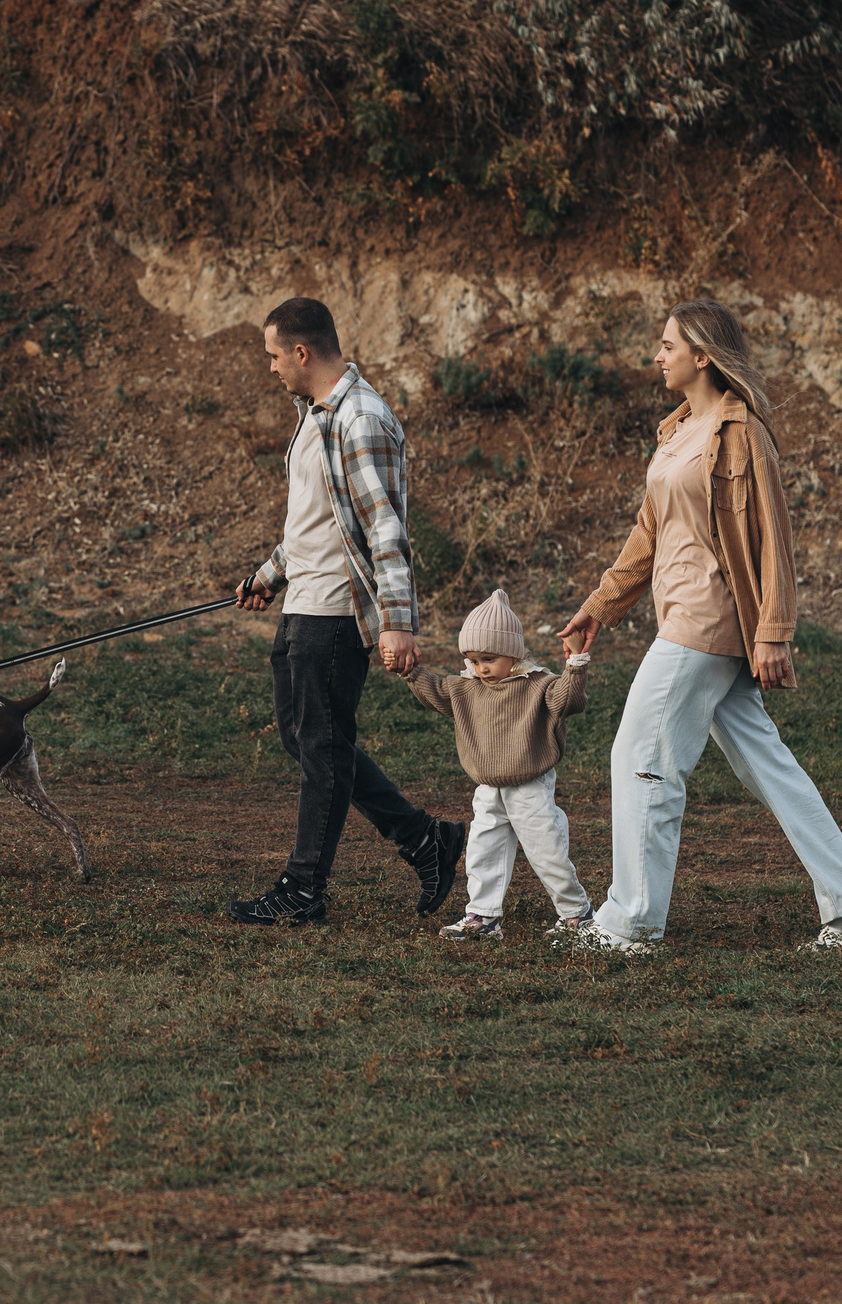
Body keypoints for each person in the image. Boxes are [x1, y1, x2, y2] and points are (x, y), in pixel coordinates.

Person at [557, 301, 842, 954]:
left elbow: (775, 538)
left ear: (703, 355)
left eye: (668, 346)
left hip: (708, 616)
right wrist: (601, 604)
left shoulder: (742, 432)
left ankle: (630, 921)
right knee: (769, 765)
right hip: (683, 611)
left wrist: (774, 630)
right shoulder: (677, 430)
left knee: (641, 755)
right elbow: (648, 532)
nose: (658, 356)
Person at [229, 296, 463, 927]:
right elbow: (317, 520)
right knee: (308, 740)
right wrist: (271, 574)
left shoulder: (361, 418)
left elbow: (385, 529)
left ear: (302, 352)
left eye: (275, 356)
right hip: (303, 600)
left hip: (334, 614)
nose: (272, 368)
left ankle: (304, 887)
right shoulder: (315, 413)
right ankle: (424, 839)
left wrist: (399, 621)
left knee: (322, 747)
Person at [396, 588, 594, 943]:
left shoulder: (539, 685)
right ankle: (483, 917)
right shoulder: (467, 688)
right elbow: (437, 691)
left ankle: (576, 913)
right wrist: (410, 671)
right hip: (487, 787)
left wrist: (576, 662)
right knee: (483, 850)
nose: (480, 667)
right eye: (472, 659)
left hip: (529, 785)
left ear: (514, 652)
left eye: (489, 658)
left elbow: (570, 701)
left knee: (546, 851)